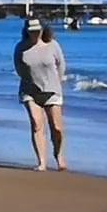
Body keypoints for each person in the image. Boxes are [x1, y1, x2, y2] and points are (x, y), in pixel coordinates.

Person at [15, 16, 69, 171]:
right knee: (37, 124)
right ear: (26, 31)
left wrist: (56, 82)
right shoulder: (21, 47)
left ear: (42, 30)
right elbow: (19, 68)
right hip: (30, 90)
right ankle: (42, 162)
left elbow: (61, 65)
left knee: (57, 127)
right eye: (31, 31)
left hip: (52, 90)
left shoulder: (52, 45)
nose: (35, 34)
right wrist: (30, 81)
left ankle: (59, 156)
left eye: (37, 31)